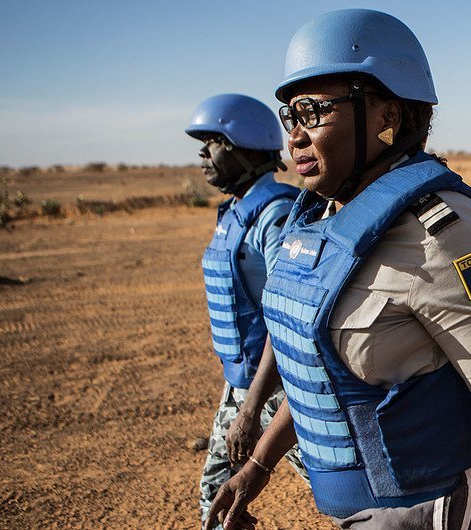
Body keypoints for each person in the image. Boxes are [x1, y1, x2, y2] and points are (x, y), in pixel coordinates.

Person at [204, 9, 471, 530]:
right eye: (290, 115)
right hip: (367, 501)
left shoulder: (442, 233)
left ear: (387, 115)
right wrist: (256, 467)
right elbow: (318, 366)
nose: (295, 135)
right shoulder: (319, 221)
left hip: (437, 497)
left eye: (315, 111)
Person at [185, 93, 310, 529]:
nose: (202, 153)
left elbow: (287, 314)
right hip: (243, 384)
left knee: (342, 490)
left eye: (213, 141)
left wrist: (253, 409)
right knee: (216, 499)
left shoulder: (275, 215)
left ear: (249, 147)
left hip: (280, 388)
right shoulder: (236, 212)